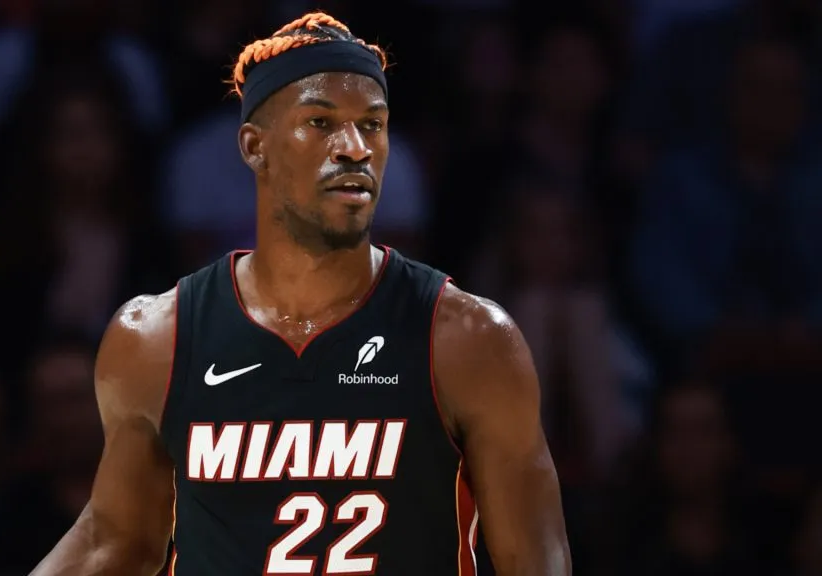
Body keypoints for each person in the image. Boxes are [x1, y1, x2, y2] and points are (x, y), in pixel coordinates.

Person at [30, 12, 571, 576]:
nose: (355, 147)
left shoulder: (470, 339)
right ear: (254, 147)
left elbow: (535, 561)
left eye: (373, 124)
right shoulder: (156, 339)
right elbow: (115, 544)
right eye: (320, 122)